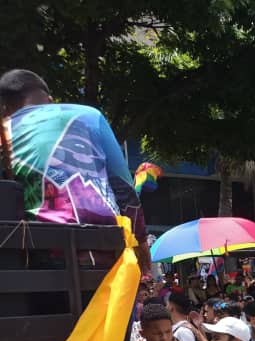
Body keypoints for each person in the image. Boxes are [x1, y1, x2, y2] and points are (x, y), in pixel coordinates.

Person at [0, 69, 147, 253]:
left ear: (4, 108)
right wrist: (141, 246)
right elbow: (124, 188)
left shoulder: (5, 130)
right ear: (50, 100)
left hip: (40, 251)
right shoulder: (91, 115)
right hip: (107, 249)